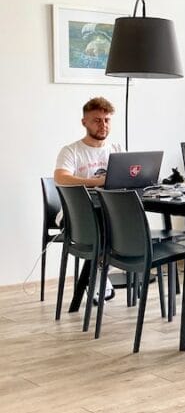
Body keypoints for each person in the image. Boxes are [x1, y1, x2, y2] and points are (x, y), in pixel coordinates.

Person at [54, 96, 121, 303]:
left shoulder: (117, 150)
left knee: (127, 225)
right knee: (106, 227)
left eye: (107, 120)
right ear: (84, 122)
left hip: (109, 212)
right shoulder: (71, 150)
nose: (103, 125)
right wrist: (96, 182)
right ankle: (99, 274)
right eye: (97, 120)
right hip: (75, 215)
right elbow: (60, 177)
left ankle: (99, 272)